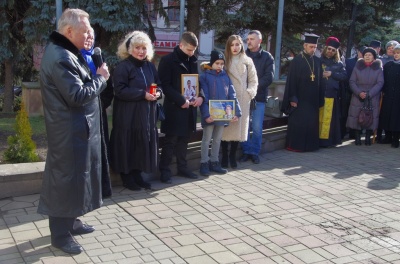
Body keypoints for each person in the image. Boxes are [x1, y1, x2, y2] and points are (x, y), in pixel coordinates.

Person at [37, 8, 110, 255]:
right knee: (65, 181)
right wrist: (101, 78)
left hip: (77, 130)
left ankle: (72, 222)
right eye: (85, 31)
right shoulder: (61, 57)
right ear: (69, 31)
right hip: (68, 132)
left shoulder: (69, 52)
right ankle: (59, 235)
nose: (90, 35)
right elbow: (77, 95)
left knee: (78, 179)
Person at [109, 31, 163, 191]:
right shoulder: (123, 67)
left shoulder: (149, 66)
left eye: (144, 48)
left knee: (141, 144)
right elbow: (119, 90)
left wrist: (158, 92)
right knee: (129, 144)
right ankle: (127, 176)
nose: (141, 51)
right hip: (128, 115)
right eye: (137, 48)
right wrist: (142, 94)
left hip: (146, 116)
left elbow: (158, 84)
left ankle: (137, 174)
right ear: (129, 49)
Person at [158, 32, 204, 183]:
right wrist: (180, 100)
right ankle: (164, 170)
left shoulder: (193, 61)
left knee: (184, 139)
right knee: (170, 140)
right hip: (174, 108)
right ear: (181, 45)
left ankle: (182, 167)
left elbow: (198, 83)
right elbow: (165, 85)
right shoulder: (167, 61)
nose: (191, 53)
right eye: (189, 50)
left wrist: (201, 97)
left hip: (189, 108)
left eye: (193, 50)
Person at [80, 28, 113, 199]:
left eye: (92, 36)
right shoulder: (76, 58)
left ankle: (102, 188)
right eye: (87, 35)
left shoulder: (98, 58)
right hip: (83, 112)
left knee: (102, 148)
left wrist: (101, 104)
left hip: (98, 111)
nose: (89, 39)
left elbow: (109, 86)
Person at [198, 50, 241, 176]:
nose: (220, 66)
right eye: (217, 63)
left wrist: (236, 112)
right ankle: (204, 163)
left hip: (222, 115)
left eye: (222, 64)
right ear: (212, 63)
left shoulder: (225, 77)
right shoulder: (204, 77)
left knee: (217, 139)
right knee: (206, 139)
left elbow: (232, 95)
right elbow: (204, 96)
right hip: (210, 116)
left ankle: (215, 161)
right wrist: (206, 115)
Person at [281, 33, 325, 152]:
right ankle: (296, 146)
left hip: (312, 99)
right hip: (300, 99)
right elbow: (291, 81)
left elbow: (320, 81)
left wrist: (320, 98)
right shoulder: (297, 61)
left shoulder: (317, 61)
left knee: (311, 123)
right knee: (299, 122)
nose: (313, 49)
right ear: (305, 46)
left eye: (315, 47)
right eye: (311, 47)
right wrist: (293, 98)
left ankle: (310, 146)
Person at [221, 35, 258, 169]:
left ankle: (232, 156)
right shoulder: (224, 60)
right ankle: (224, 156)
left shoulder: (247, 61)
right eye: (232, 45)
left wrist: (249, 93)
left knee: (237, 129)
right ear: (228, 46)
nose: (235, 47)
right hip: (226, 97)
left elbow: (254, 80)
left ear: (241, 45)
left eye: (237, 44)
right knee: (225, 128)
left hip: (242, 98)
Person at [239, 30, 274, 164]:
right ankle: (246, 151)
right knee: (245, 127)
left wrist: (253, 88)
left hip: (258, 98)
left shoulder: (267, 57)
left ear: (260, 41)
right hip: (244, 97)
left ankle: (254, 152)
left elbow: (268, 77)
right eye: (247, 39)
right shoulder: (242, 56)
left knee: (257, 127)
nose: (248, 41)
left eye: (252, 39)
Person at [346, 48, 384, 146]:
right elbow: (352, 81)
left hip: (372, 96)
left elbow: (380, 83)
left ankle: (368, 137)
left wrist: (370, 93)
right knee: (357, 116)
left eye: (370, 55)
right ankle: (357, 137)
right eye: (366, 55)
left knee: (370, 116)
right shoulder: (357, 67)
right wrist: (359, 92)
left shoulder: (378, 69)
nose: (367, 56)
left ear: (374, 58)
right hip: (358, 96)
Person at [319, 37, 347, 147]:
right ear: (325, 49)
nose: (330, 51)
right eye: (329, 49)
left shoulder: (339, 63)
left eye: (333, 50)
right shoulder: (318, 61)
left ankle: (328, 142)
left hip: (332, 95)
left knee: (329, 120)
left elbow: (344, 76)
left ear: (336, 52)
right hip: (319, 95)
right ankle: (317, 140)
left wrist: (332, 74)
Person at [378, 44, 400, 148]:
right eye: (395, 53)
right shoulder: (388, 65)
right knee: (387, 116)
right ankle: (387, 136)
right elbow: (383, 79)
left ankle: (396, 138)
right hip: (388, 95)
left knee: (396, 118)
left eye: (398, 53)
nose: (396, 55)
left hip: (398, 97)